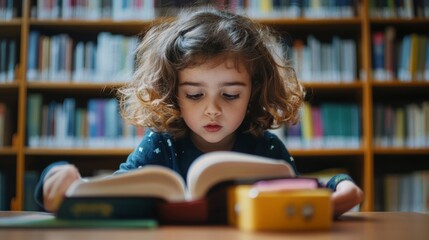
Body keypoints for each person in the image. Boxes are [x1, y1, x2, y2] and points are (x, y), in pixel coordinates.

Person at [35, 7, 363, 216]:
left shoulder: (265, 147)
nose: (212, 110)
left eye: (231, 94)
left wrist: (342, 186)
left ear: (253, 92)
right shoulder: (159, 144)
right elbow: (109, 193)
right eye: (194, 94)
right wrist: (57, 177)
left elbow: (309, 191)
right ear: (173, 93)